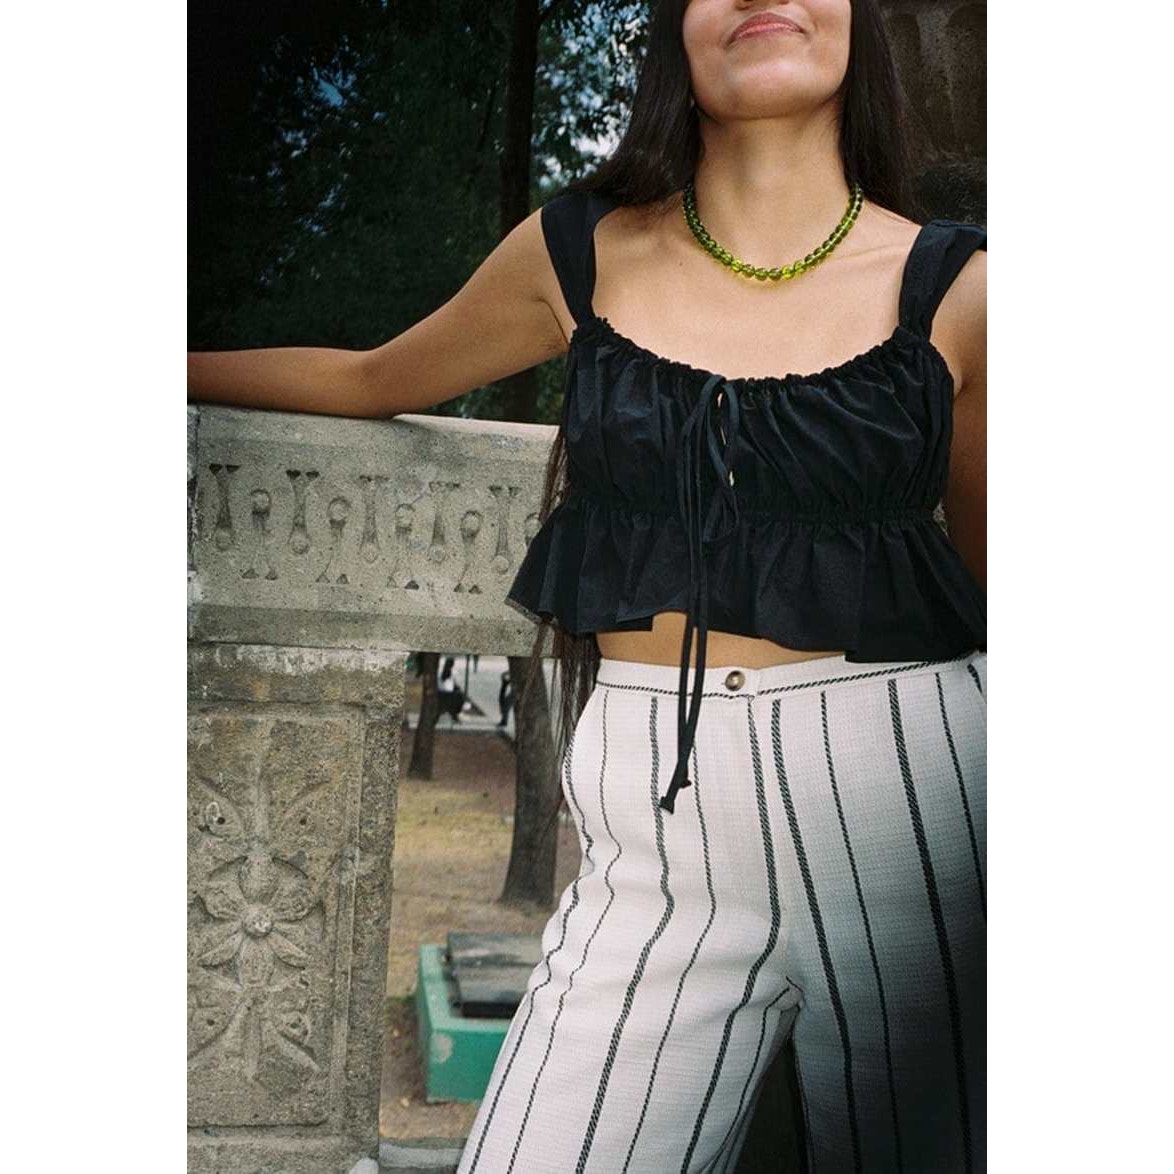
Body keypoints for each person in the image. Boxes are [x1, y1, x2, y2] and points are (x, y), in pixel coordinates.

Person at [187, 2, 986, 1169]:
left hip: (915, 810)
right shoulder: (576, 250)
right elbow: (370, 379)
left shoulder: (963, 288)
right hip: (649, 832)